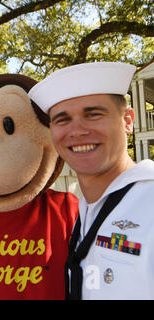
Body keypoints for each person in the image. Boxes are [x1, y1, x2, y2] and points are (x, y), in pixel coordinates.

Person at [29, 61, 154, 299]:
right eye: (62, 119)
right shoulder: (88, 208)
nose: (77, 131)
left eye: (93, 114)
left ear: (127, 120)